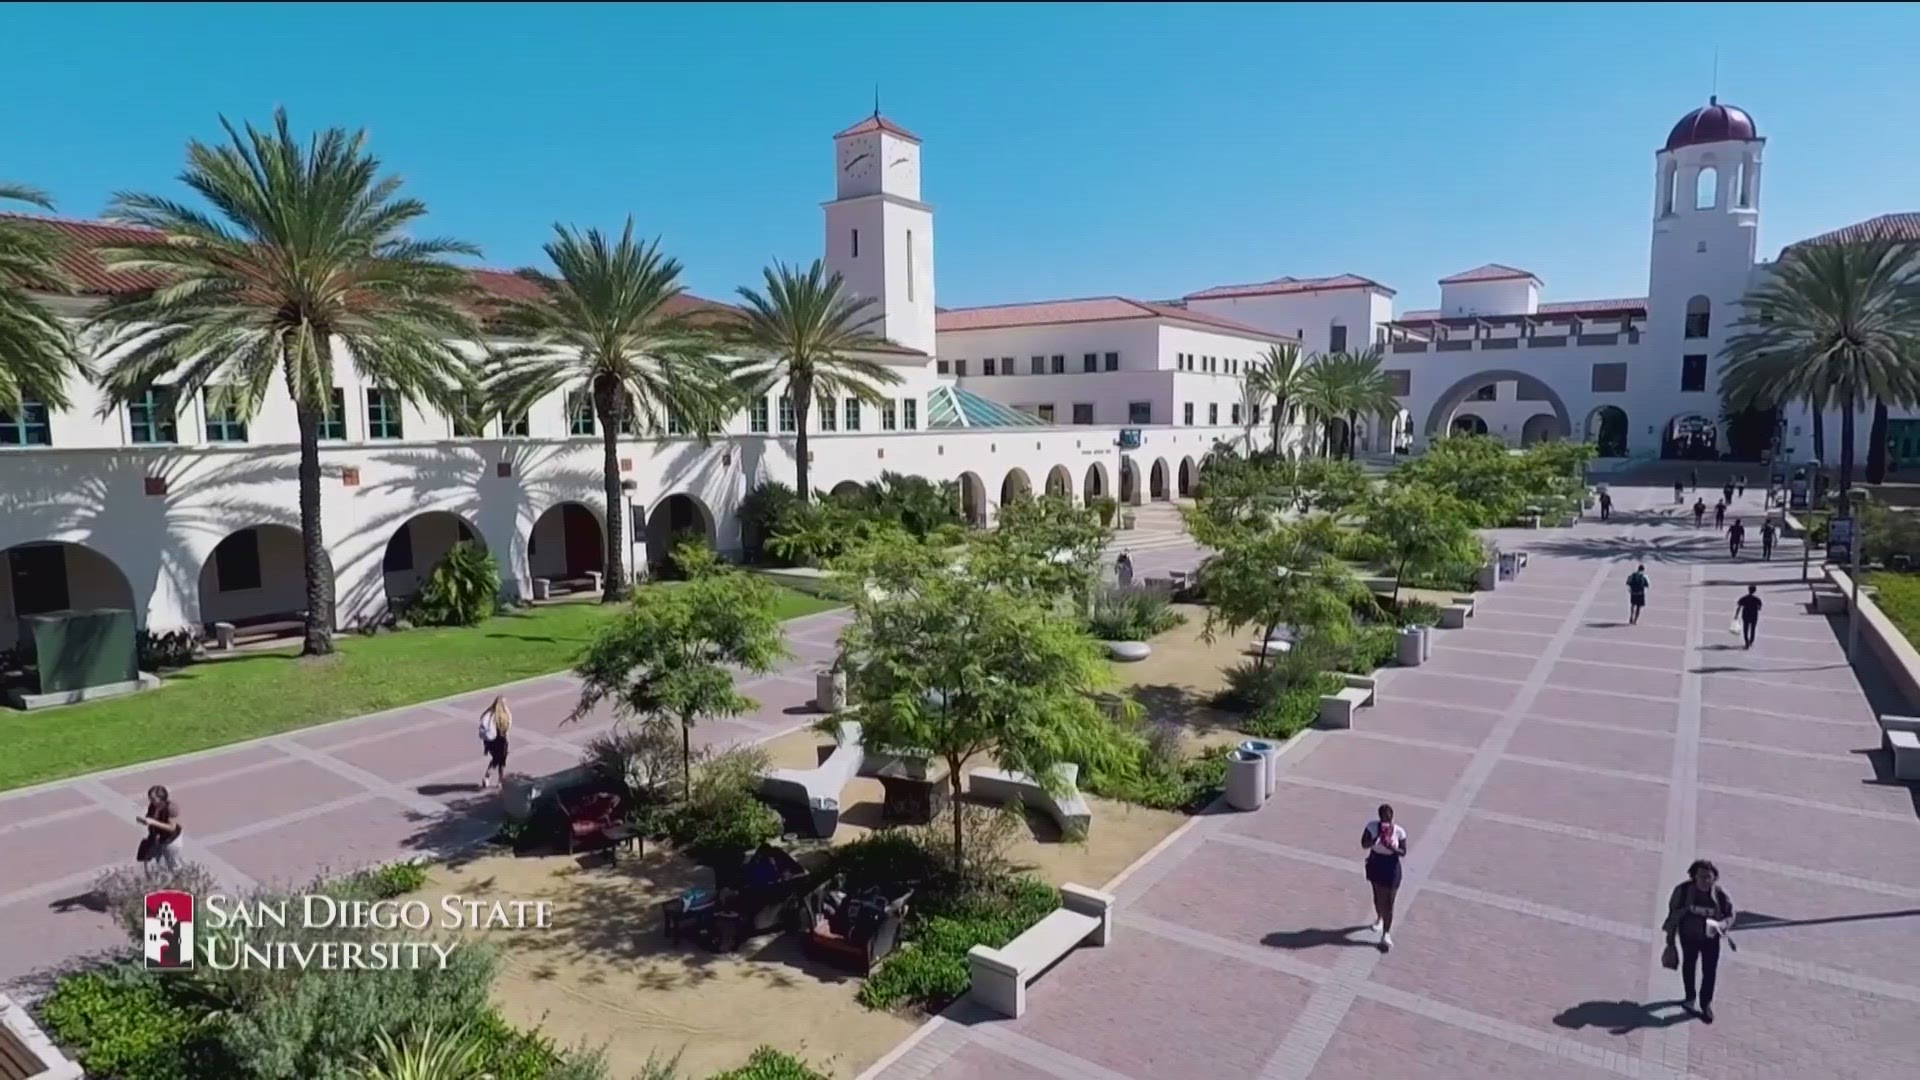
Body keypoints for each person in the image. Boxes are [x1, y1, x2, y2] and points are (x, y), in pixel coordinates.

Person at [1663, 859, 1735, 1023]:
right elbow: (1673, 916)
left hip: (1711, 939)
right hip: (1688, 937)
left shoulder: (1719, 895)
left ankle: (1705, 1004)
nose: (1705, 881)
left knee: (1709, 972)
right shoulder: (1683, 892)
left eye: (1709, 877)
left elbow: (1730, 914)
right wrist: (1670, 941)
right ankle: (1689, 998)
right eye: (1701, 877)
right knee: (1689, 966)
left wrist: (1723, 924)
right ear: (1693, 877)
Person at [1361, 803, 1407, 952]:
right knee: (1377, 895)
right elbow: (1364, 844)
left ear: (1392, 817)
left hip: (1391, 866)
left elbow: (1403, 852)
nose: (1385, 821)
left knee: (1390, 901)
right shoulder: (1372, 827)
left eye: (1388, 819)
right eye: (1383, 819)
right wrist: (1375, 840)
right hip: (1376, 862)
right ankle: (1379, 918)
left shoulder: (1399, 831)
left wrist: (1391, 847)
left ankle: (1386, 934)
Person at [135, 785, 182, 871]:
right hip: (157, 838)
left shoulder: (171, 808)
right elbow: (150, 819)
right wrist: (144, 821)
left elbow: (172, 828)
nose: (150, 801)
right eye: (150, 798)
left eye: (153, 799)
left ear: (161, 798)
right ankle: (159, 879)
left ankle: (178, 880)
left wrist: (153, 822)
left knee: (173, 865)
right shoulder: (152, 806)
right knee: (154, 862)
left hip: (171, 840)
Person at [478, 696, 513, 788]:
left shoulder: (489, 714)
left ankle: (487, 776)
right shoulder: (503, 716)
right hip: (501, 742)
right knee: (501, 762)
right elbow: (507, 728)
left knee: (495, 760)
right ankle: (500, 781)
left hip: (490, 743)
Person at [1736, 585, 1763, 649]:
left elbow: (1739, 607)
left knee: (1745, 629)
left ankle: (1746, 642)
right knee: (1753, 629)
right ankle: (1751, 641)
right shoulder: (1757, 599)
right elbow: (1759, 608)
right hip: (1754, 615)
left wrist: (1736, 615)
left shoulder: (1744, 598)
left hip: (1746, 615)